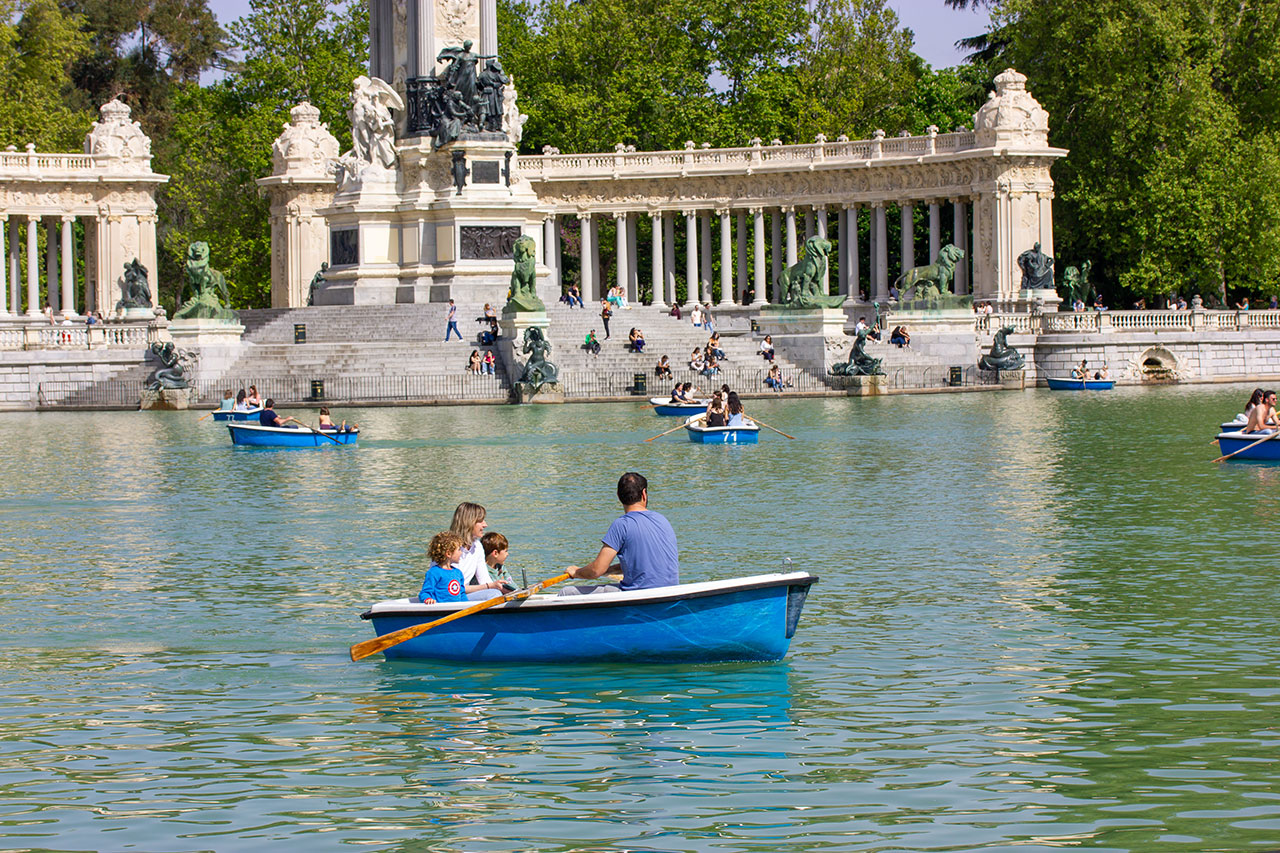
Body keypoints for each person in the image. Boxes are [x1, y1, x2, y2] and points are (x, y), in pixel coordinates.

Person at [564, 472, 679, 594]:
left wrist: (576, 572)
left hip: (639, 594)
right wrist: (608, 571)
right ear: (644, 494)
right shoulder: (662, 520)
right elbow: (644, 564)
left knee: (566, 592)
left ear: (618, 496)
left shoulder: (621, 525)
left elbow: (596, 570)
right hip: (670, 592)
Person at [451, 502, 504, 600]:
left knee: (496, 593)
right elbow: (452, 588)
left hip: (462, 596)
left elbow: (484, 580)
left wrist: (500, 587)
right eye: (481, 521)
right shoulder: (450, 548)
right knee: (494, 594)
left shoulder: (477, 546)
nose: (485, 525)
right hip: (448, 596)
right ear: (469, 522)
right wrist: (489, 586)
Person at [418, 530, 468, 604]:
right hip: (441, 609)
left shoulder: (458, 573)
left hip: (457, 609)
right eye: (459, 549)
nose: (461, 552)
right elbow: (425, 593)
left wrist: (467, 605)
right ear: (448, 553)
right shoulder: (434, 573)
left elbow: (462, 594)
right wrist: (428, 599)